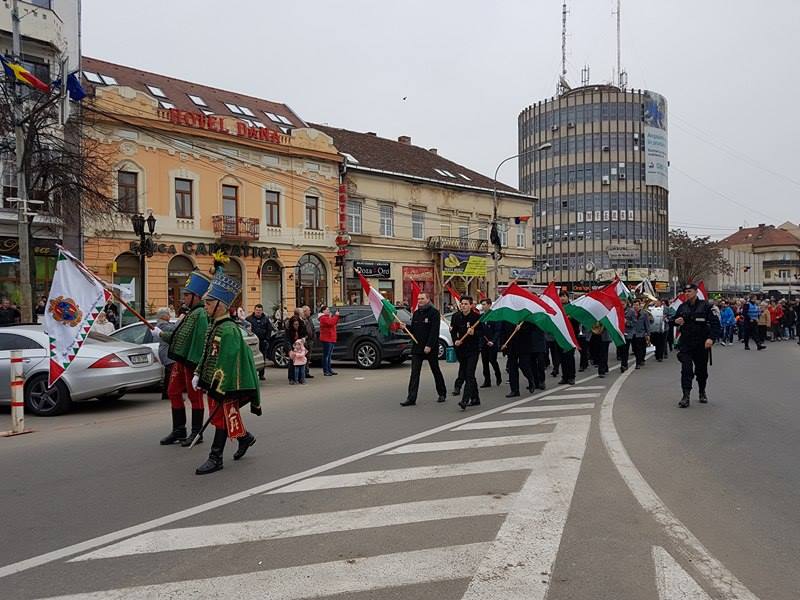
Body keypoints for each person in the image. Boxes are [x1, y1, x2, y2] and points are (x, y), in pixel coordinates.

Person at [193, 270, 260, 475]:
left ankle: (216, 458)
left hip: (224, 385)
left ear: (220, 305)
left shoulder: (228, 329)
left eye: (208, 303)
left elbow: (227, 363)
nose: (205, 307)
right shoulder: (216, 325)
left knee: (221, 419)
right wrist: (198, 373)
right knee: (225, 416)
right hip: (212, 383)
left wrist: (218, 388)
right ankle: (244, 437)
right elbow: (207, 353)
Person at [153, 272, 210, 446]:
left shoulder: (200, 314)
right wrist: (162, 334)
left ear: (196, 296)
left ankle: (196, 432)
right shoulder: (191, 313)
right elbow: (180, 335)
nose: (183, 298)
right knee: (173, 391)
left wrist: (161, 334)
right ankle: (179, 430)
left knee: (195, 397)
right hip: (181, 360)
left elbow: (197, 341)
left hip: (191, 360)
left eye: (186, 295)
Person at [674, 283, 721, 408]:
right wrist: (675, 321)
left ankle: (702, 391)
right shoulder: (682, 307)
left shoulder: (706, 306)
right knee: (686, 370)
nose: (687, 293)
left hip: (701, 344)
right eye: (685, 292)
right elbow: (672, 320)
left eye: (689, 291)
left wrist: (711, 338)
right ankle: (685, 396)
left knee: (701, 371)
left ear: (695, 292)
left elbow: (716, 325)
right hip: (686, 344)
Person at [401, 292, 447, 406]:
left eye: (422, 298)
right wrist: (405, 327)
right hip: (417, 348)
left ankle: (442, 393)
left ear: (427, 299)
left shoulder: (434, 313)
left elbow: (434, 331)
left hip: (430, 348)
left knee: (435, 370)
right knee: (414, 373)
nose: (419, 300)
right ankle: (411, 398)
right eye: (418, 299)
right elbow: (414, 330)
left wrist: (429, 345)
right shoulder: (416, 313)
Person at [450, 296, 482, 410]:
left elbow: (483, 333)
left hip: (473, 349)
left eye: (466, 304)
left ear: (471, 305)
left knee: (469, 374)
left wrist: (474, 332)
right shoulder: (456, 317)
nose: (463, 306)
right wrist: (455, 340)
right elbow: (453, 331)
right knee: (468, 374)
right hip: (461, 349)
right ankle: (475, 398)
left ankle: (465, 400)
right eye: (462, 304)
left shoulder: (477, 317)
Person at [503, 321, 535, 397]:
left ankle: (531, 380)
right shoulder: (507, 316)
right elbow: (503, 331)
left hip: (523, 345)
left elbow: (532, 328)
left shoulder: (525, 316)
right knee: (512, 368)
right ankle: (514, 390)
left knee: (524, 365)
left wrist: (521, 328)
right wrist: (503, 344)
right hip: (511, 345)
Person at [150, 307, 176, 400]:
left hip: (166, 351)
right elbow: (174, 329)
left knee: (169, 373)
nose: (169, 316)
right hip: (166, 352)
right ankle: (169, 394)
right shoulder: (162, 325)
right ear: (164, 316)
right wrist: (180, 320)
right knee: (171, 373)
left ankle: (166, 394)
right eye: (168, 314)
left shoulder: (164, 324)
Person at [478, 298, 502, 388]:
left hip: (492, 343)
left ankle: (498, 376)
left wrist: (493, 341)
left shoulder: (495, 316)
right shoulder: (481, 317)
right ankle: (487, 380)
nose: (483, 306)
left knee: (493, 361)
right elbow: (479, 329)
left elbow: (497, 330)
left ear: (489, 305)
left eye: (484, 304)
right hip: (484, 343)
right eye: (482, 305)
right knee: (485, 362)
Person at [246, 304, 273, 381]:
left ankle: (261, 374)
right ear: (254, 310)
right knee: (252, 357)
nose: (258, 312)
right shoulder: (249, 319)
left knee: (262, 357)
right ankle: (252, 373)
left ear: (262, 311)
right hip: (252, 342)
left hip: (262, 341)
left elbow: (269, 329)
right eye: (257, 310)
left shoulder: (266, 319)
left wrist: (267, 339)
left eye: (260, 310)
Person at [556, 291, 578, 385]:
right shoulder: (557, 308)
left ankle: (571, 377)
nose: (562, 298)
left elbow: (577, 322)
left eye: (564, 296)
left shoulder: (572, 308)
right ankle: (564, 377)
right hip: (560, 335)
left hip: (570, 336)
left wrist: (570, 318)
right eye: (560, 296)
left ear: (568, 297)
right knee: (562, 358)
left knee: (569, 357)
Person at [628, 298, 651, 369]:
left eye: (637, 305)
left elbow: (647, 324)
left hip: (641, 333)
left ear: (640, 305)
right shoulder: (630, 313)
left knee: (641, 348)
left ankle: (638, 362)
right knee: (635, 348)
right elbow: (628, 322)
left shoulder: (644, 313)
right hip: (633, 333)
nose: (635, 306)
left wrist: (648, 334)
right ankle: (639, 359)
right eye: (634, 305)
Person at [318, 305, 340, 376]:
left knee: (329, 356)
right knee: (326, 356)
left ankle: (329, 369)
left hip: (331, 338)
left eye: (328, 309)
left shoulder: (327, 317)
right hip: (326, 339)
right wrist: (336, 316)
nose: (328, 310)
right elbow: (331, 323)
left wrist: (334, 317)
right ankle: (326, 370)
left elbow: (334, 322)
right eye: (327, 310)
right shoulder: (323, 318)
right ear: (323, 311)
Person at [285, 314, 305, 382]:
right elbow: (287, 340)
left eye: (297, 324)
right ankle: (291, 378)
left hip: (300, 346)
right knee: (292, 362)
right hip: (292, 345)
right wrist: (290, 350)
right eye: (295, 324)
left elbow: (304, 334)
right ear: (292, 324)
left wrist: (303, 339)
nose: (297, 326)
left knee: (301, 362)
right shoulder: (288, 329)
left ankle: (300, 378)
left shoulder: (301, 327)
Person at [301, 305, 316, 379]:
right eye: (308, 310)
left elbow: (312, 328)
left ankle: (306, 372)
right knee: (303, 357)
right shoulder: (303, 320)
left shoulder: (309, 319)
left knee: (308, 357)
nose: (310, 311)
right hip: (305, 341)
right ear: (304, 311)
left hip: (310, 340)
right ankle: (303, 372)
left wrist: (313, 337)